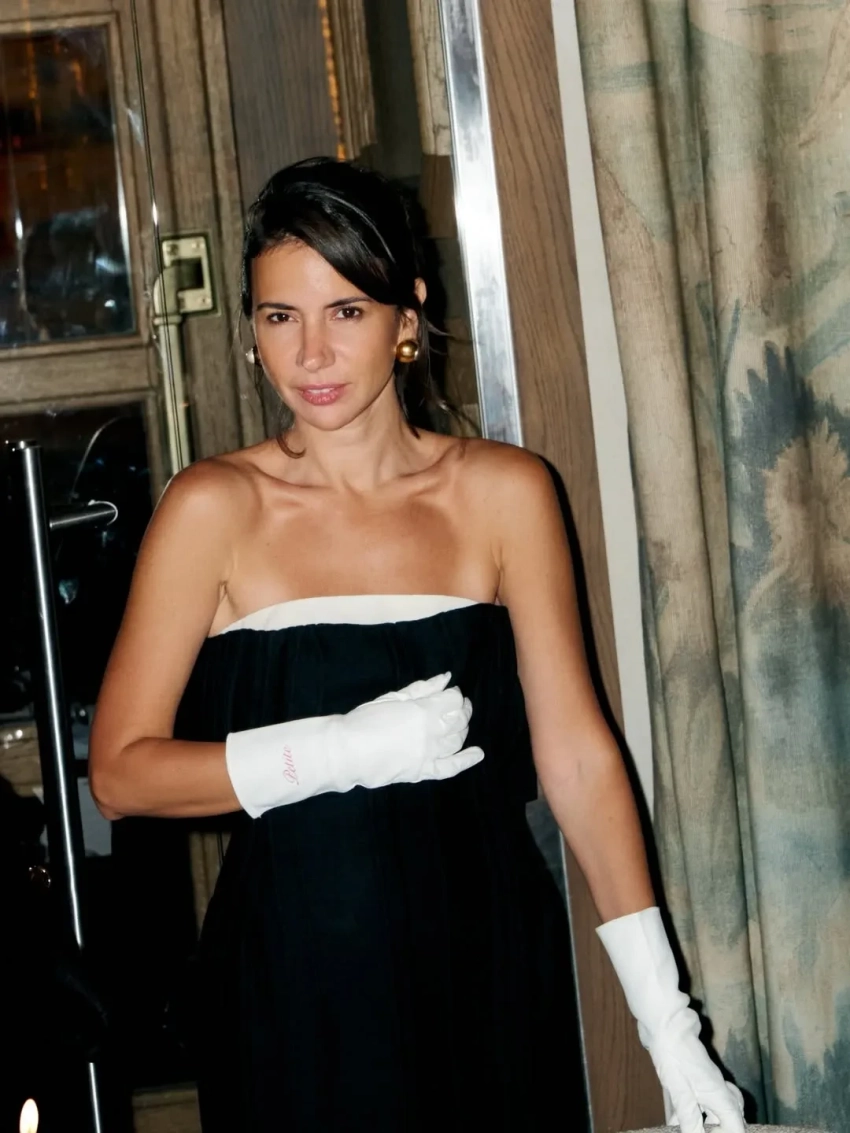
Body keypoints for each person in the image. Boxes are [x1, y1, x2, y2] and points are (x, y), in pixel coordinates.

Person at [90, 158, 746, 1133]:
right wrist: (339, 749)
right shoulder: (213, 506)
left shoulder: (505, 492)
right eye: (280, 316)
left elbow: (576, 756)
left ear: (407, 316)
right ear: (250, 329)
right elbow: (120, 773)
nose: (311, 351)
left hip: (490, 965)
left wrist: (669, 1020)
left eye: (346, 311)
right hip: (296, 987)